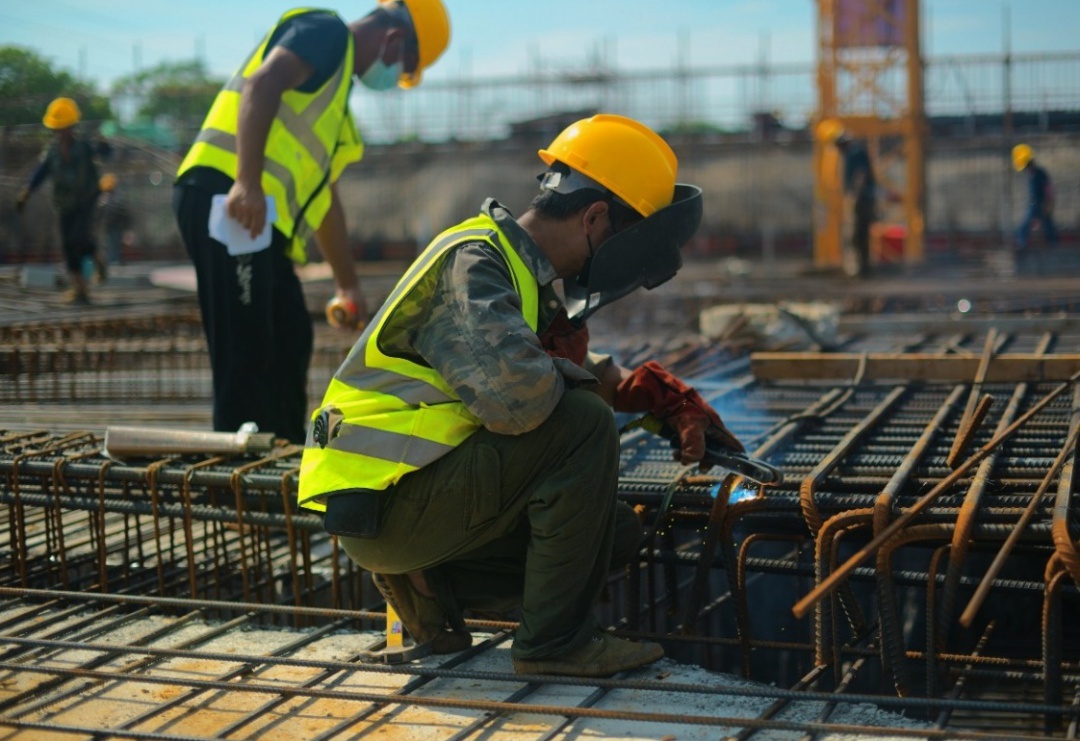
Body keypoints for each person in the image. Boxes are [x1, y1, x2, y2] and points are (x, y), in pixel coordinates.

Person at [297, 113, 746, 677]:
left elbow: (561, 362)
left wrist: (659, 400)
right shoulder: (475, 263)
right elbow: (522, 401)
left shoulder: (516, 273)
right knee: (581, 421)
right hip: (382, 501)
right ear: (595, 217)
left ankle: (432, 594)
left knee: (615, 531)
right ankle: (554, 647)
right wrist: (590, 386)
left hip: (402, 499)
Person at [173, 0, 451, 444]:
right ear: (394, 40)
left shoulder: (336, 107)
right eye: (402, 68)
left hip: (258, 223)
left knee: (291, 338)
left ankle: (279, 459)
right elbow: (262, 85)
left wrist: (348, 285)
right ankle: (235, 493)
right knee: (246, 351)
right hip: (226, 199)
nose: (394, 79)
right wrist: (246, 181)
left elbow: (325, 201)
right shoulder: (325, 32)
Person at [16, 97, 108, 304]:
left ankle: (97, 259)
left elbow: (106, 153)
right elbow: (40, 172)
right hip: (64, 205)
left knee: (80, 237)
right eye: (57, 129)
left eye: (64, 127)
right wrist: (27, 191)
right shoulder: (52, 153)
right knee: (68, 244)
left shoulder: (84, 146)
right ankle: (79, 289)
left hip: (86, 201)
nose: (60, 132)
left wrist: (104, 144)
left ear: (72, 127)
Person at [832, 128, 877, 278]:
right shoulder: (854, 152)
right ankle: (862, 268)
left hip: (861, 200)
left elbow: (861, 175)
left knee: (859, 235)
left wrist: (855, 196)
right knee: (859, 235)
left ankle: (863, 269)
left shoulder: (854, 153)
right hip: (863, 198)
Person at [1012, 143, 1058, 250]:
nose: (1025, 170)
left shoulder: (1039, 174)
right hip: (1035, 206)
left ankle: (1054, 247)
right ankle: (1022, 244)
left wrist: (1048, 204)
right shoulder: (1032, 175)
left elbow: (1048, 191)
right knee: (1040, 226)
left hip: (1041, 206)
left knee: (1044, 227)